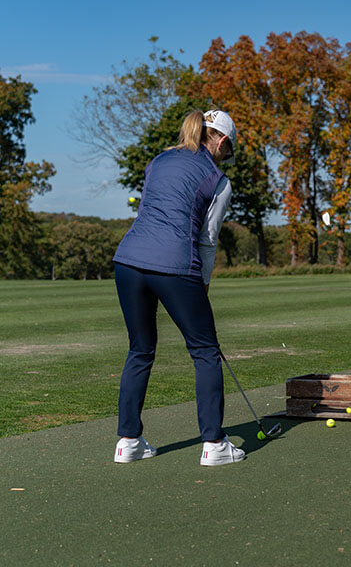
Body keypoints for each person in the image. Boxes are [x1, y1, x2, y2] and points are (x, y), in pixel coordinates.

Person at [112, 109, 245, 466]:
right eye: (227, 150)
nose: (225, 158)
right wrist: (202, 284)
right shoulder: (219, 180)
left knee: (140, 350)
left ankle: (128, 442)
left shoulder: (159, 160)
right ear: (220, 140)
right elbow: (207, 241)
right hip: (174, 264)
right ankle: (215, 445)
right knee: (205, 351)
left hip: (127, 261)